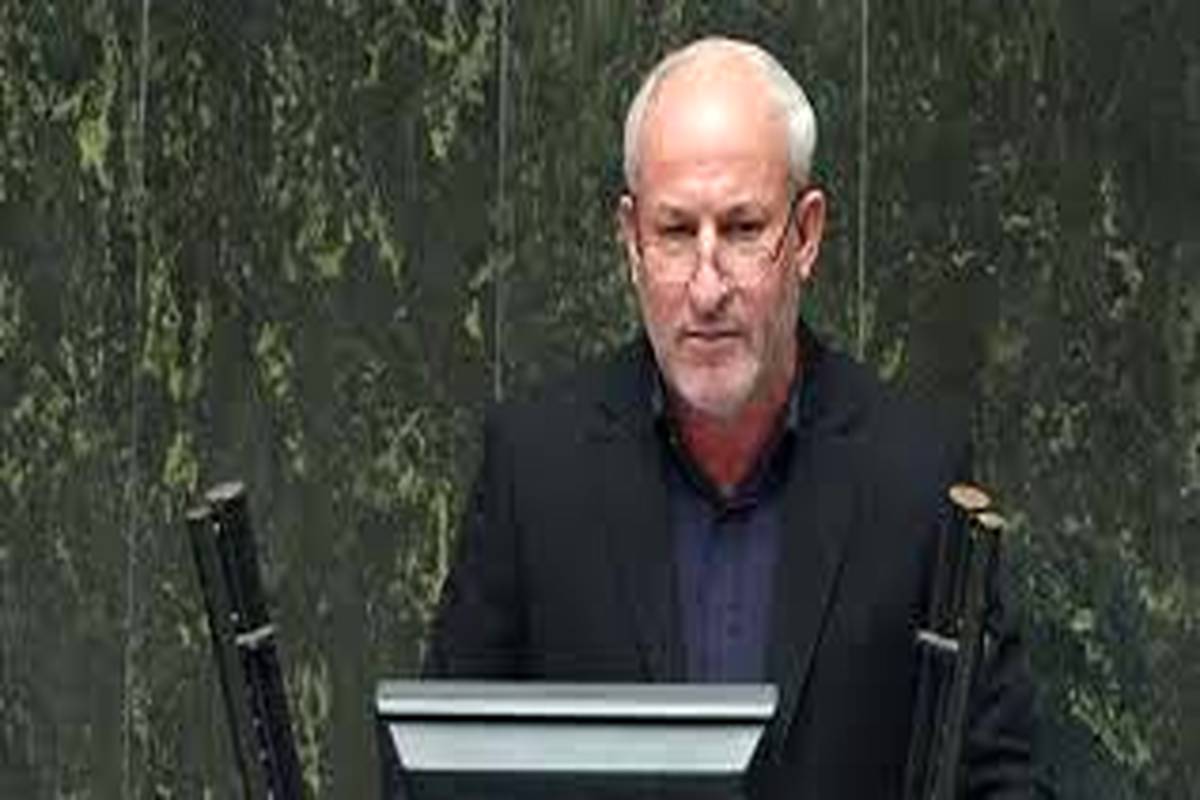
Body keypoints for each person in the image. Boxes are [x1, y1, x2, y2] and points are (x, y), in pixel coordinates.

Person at [425, 36, 1038, 798]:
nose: (707, 287)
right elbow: (437, 770)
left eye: (744, 230)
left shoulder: (914, 477)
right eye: (676, 233)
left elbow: (1000, 781)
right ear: (631, 241)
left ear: (806, 235)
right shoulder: (536, 469)